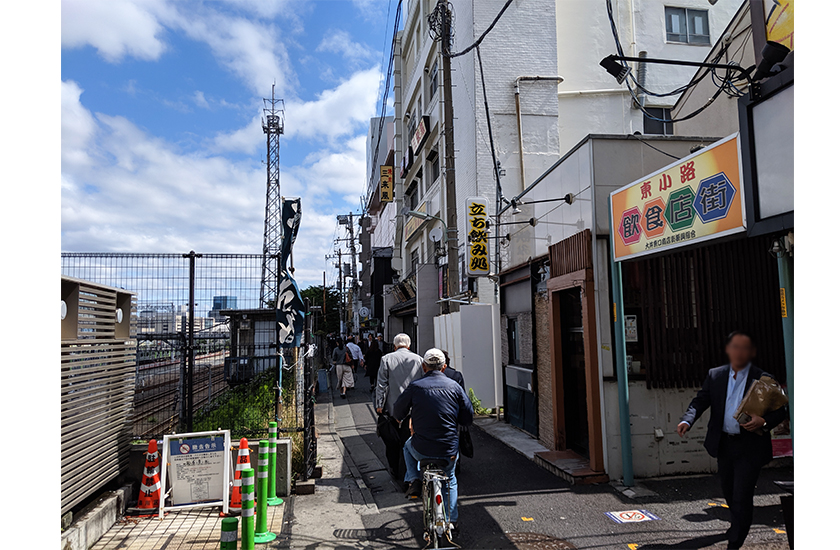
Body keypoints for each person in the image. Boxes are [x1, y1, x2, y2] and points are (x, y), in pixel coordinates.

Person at [677, 331, 788, 549]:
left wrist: (763, 420)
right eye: (735, 347)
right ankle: (736, 525)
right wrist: (687, 421)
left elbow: (781, 411)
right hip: (725, 444)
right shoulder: (715, 375)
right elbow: (700, 401)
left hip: (750, 447)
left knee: (741, 495)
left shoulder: (764, 379)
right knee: (728, 491)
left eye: (744, 348)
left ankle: (735, 542)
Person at [393, 348, 474, 535]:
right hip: (448, 449)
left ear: (424, 366)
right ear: (444, 367)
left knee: (407, 446)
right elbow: (467, 417)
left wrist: (402, 417)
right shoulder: (454, 387)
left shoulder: (415, 387)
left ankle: (413, 478)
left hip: (421, 448)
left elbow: (398, 411)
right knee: (451, 479)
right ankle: (452, 521)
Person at [375, 333, 423, 480]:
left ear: (395, 346)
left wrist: (379, 405)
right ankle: (410, 473)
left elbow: (382, 384)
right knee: (410, 441)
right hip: (413, 409)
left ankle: (395, 469)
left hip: (392, 408)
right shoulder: (419, 360)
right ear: (409, 345)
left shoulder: (386, 359)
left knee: (392, 442)